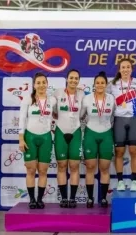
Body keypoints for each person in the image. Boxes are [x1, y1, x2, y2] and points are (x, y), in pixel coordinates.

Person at [18, 72, 57, 209]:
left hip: (46, 137)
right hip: (30, 137)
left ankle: (40, 199)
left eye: (43, 82)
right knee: (30, 170)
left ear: (47, 84)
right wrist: (21, 139)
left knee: (43, 170)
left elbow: (59, 115)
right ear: (34, 85)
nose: (41, 85)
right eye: (38, 82)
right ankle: (32, 199)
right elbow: (22, 119)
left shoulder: (52, 100)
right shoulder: (28, 99)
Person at [79, 71, 115, 208]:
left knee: (105, 168)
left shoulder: (111, 99)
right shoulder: (87, 99)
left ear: (106, 85)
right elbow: (81, 116)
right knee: (90, 167)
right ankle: (89, 198)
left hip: (106, 135)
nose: (100, 85)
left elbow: (113, 118)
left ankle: (104, 198)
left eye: (102, 83)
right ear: (94, 84)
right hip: (90, 134)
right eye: (98, 83)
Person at [107, 59, 136, 191]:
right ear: (119, 69)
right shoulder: (112, 84)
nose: (125, 70)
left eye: (128, 67)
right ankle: (120, 181)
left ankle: (134, 181)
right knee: (119, 152)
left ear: (131, 69)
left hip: (133, 119)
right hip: (119, 120)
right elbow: (101, 96)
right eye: (123, 67)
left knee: (134, 151)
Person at [53, 69, 85, 208]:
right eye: (71, 78)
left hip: (76, 132)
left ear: (79, 80)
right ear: (67, 79)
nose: (73, 80)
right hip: (60, 131)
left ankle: (72, 198)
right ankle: (64, 198)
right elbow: (53, 112)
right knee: (61, 166)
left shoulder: (82, 94)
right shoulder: (58, 93)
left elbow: (83, 114)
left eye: (76, 78)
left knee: (74, 166)